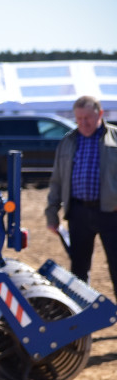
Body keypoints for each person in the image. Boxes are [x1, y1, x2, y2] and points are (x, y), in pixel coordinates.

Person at [44, 95, 117, 294]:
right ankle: (81, 310)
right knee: (78, 269)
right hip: (79, 213)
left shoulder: (114, 138)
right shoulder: (68, 141)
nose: (83, 123)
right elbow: (57, 180)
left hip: (111, 213)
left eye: (88, 118)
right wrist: (52, 214)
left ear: (100, 114)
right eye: (79, 119)